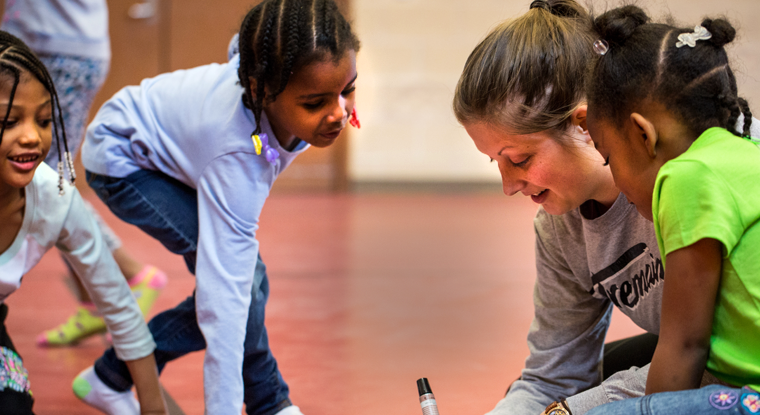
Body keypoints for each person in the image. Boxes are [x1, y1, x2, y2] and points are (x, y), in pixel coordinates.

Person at [452, 1, 760, 414]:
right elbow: (553, 376)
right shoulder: (559, 228)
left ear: (583, 125)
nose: (508, 187)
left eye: (520, 159)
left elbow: (702, 354)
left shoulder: (694, 172)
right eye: (496, 162)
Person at [72, 0, 361, 414]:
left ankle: (109, 376)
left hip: (179, 153)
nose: (339, 113)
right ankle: (268, 400)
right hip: (123, 157)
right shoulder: (236, 155)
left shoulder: (274, 69)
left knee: (249, 284)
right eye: (316, 103)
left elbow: (242, 49)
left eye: (348, 89)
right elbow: (222, 303)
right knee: (243, 288)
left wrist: (329, 96)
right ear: (262, 90)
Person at [582, 6, 759, 414]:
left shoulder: (686, 178)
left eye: (608, 158)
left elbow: (684, 344)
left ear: (642, 134)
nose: (617, 182)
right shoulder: (748, 154)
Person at [0, 30, 166, 415]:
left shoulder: (53, 197)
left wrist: (154, 408)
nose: (31, 137)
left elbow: (119, 306)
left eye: (42, 120)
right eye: (8, 121)